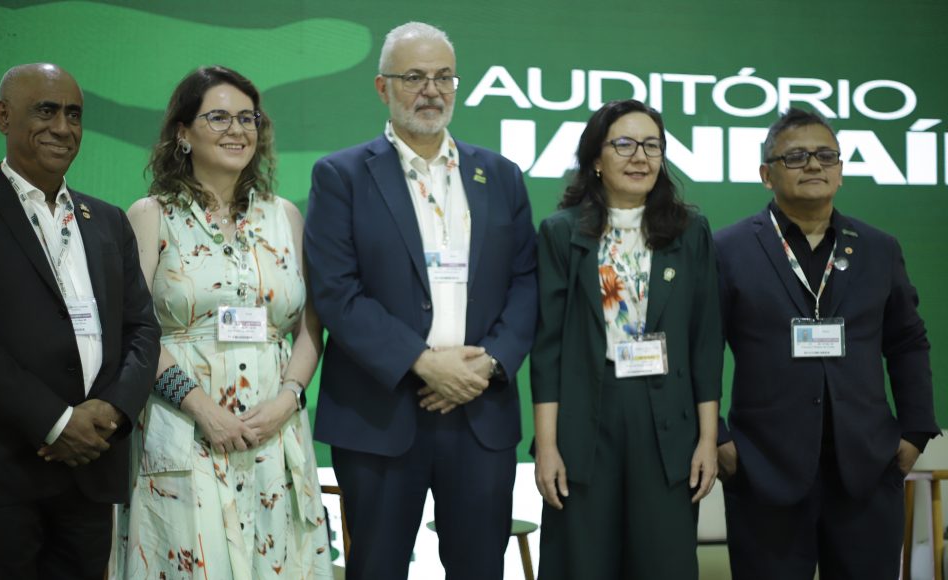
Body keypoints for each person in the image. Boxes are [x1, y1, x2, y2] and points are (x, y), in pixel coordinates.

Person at [304, 21, 537, 580]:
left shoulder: (500, 175)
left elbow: (526, 281)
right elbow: (336, 290)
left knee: (480, 568)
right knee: (377, 568)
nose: (431, 90)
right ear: (383, 88)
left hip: (480, 410)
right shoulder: (341, 175)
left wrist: (488, 363)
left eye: (443, 77)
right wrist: (424, 362)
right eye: (413, 77)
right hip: (379, 414)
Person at [0, 63, 160, 579]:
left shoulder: (110, 222)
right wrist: (58, 422)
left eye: (73, 114)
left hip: (90, 474)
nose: (62, 127)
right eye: (45, 111)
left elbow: (142, 330)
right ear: (3, 117)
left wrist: (113, 412)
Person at [115, 66, 332, 579]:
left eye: (247, 118)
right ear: (182, 133)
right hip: (183, 426)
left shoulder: (285, 216)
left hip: (274, 433)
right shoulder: (151, 214)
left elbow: (308, 328)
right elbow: (137, 329)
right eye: (218, 117)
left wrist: (287, 399)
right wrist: (204, 410)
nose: (237, 130)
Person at [715, 107, 939, 579]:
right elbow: (701, 350)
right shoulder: (728, 249)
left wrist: (915, 431)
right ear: (765, 174)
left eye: (825, 155)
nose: (814, 165)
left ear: (840, 171)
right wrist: (718, 440)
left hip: (867, 468)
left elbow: (907, 342)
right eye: (795, 156)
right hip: (763, 470)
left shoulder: (879, 248)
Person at [531, 99, 722, 580]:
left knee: (664, 562)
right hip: (586, 417)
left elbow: (705, 342)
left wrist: (707, 440)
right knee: (582, 562)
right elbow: (548, 347)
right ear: (595, 158)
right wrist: (548, 446)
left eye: (652, 146)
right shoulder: (561, 233)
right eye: (624, 144)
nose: (640, 157)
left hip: (667, 419)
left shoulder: (689, 230)